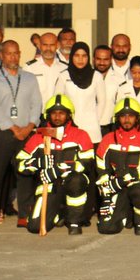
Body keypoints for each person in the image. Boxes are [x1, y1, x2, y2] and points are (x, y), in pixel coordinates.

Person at [0, 40, 41, 230]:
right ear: (2, 55)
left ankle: (24, 214)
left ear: (20, 54)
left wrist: (30, 126)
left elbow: (36, 104)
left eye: (16, 53)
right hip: (3, 134)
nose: (13, 57)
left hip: (26, 134)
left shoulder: (30, 78)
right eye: (8, 53)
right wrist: (14, 129)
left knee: (25, 176)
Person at [15, 94, 94, 235]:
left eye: (61, 113)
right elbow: (19, 163)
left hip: (71, 184)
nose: (57, 117)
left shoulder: (80, 135)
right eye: (54, 113)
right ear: (48, 115)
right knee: (34, 227)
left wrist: (58, 169)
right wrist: (37, 163)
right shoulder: (39, 137)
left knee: (77, 180)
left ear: (69, 115)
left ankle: (74, 221)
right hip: (48, 187)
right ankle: (58, 213)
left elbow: (86, 163)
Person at [94, 97, 140, 235]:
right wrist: (107, 188)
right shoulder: (108, 140)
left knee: (138, 191)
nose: (126, 119)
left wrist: (128, 179)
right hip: (115, 187)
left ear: (138, 118)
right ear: (117, 119)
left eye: (130, 116)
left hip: (139, 187)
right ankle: (126, 215)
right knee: (106, 228)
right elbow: (101, 169)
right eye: (123, 116)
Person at [52, 42, 106, 143]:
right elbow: (57, 102)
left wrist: (94, 120)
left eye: (84, 56)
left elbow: (102, 102)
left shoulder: (97, 76)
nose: (80, 59)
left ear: (88, 57)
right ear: (72, 56)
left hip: (91, 131)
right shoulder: (64, 76)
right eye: (77, 55)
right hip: (69, 129)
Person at [24, 32, 67, 105]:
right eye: (45, 45)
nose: (48, 48)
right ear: (39, 45)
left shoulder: (65, 68)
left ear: (57, 45)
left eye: (52, 45)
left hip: (58, 114)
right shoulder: (29, 68)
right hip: (37, 114)